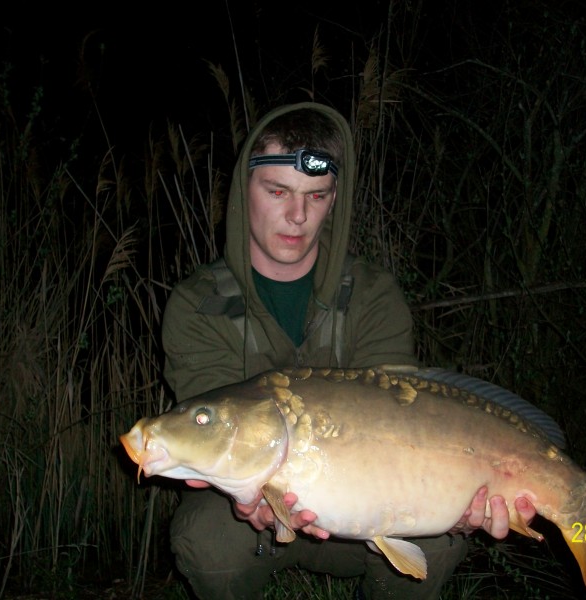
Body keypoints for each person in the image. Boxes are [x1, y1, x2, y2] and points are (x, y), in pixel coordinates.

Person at [161, 102, 537, 599]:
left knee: (442, 538)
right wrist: (253, 500)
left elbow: (416, 415)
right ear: (241, 193)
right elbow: (219, 435)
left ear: (334, 197)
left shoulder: (372, 294)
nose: (298, 216)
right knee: (203, 538)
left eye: (316, 196)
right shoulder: (197, 306)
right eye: (278, 192)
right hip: (250, 519)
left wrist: (461, 508)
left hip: (365, 517)